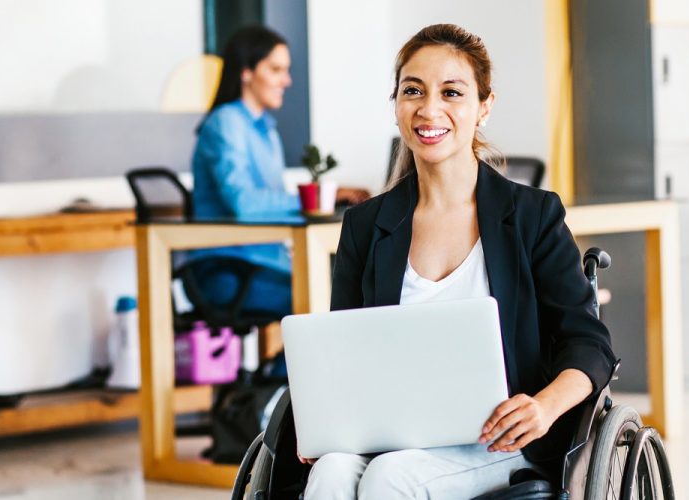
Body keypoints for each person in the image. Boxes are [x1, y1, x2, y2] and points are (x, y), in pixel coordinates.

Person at [300, 24, 616, 499]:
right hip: (389, 433)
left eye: (452, 92)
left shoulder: (532, 216)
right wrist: (329, 417)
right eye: (413, 91)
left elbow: (589, 345)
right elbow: (345, 347)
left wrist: (544, 407)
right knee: (329, 473)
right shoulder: (366, 225)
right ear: (397, 104)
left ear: (484, 106)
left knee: (390, 479)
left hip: (499, 440)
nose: (429, 110)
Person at [190, 25, 369, 318]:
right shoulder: (226, 123)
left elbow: (269, 200)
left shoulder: (267, 131)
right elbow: (244, 204)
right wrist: (319, 199)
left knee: (353, 286)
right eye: (276, 70)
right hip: (227, 270)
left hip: (266, 264)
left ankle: (283, 366)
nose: (286, 80)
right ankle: (285, 367)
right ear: (246, 72)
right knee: (329, 299)